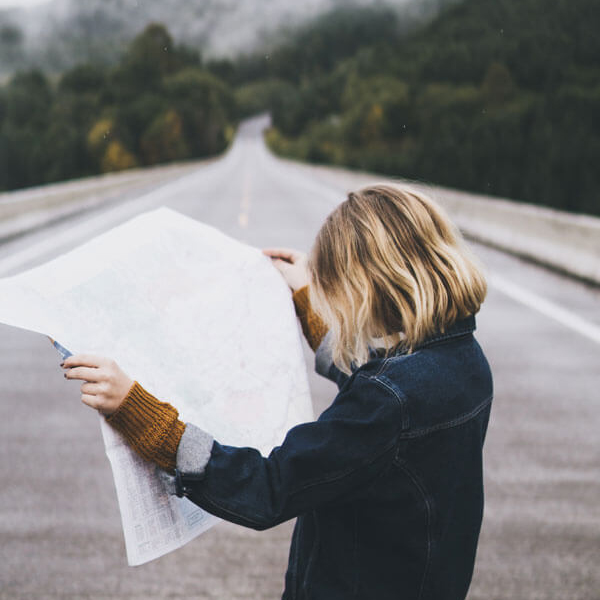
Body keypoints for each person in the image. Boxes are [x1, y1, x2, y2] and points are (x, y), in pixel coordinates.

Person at [62, 185, 493, 600]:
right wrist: (306, 298)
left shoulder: (388, 402)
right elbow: (380, 400)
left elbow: (269, 488)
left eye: (339, 290)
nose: (337, 304)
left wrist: (144, 416)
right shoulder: (463, 361)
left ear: (373, 286)